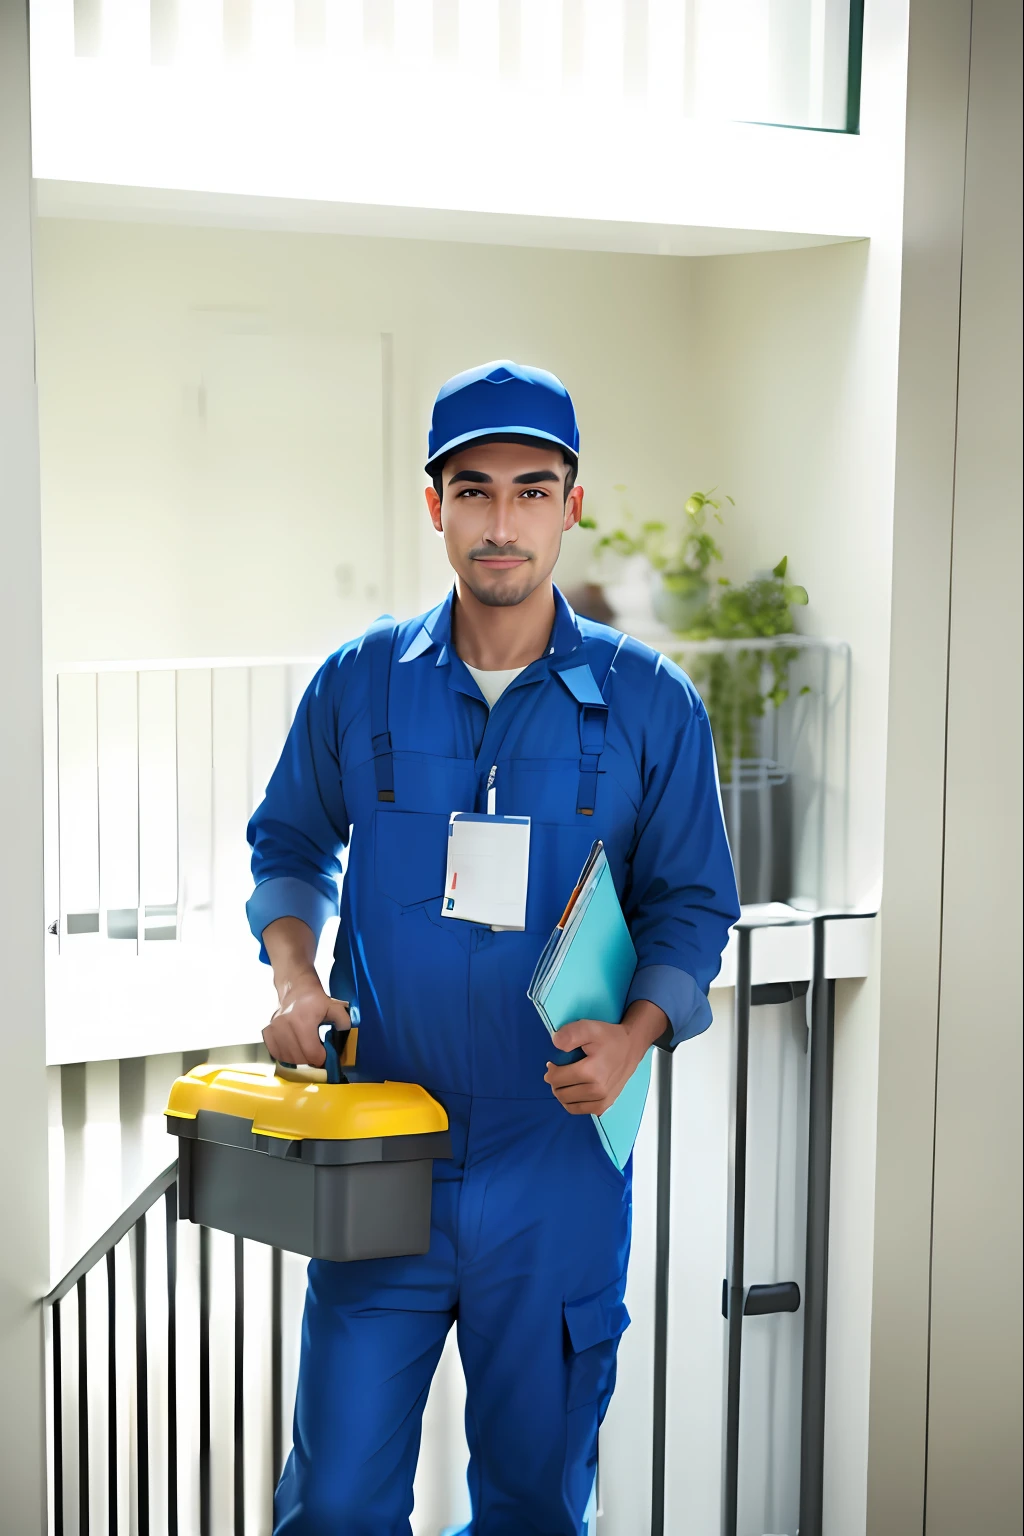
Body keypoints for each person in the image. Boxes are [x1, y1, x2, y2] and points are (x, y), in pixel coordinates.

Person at [248, 360, 740, 1535]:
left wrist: (633, 1040)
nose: (502, 520)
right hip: (383, 1157)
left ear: (574, 504)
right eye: (474, 490)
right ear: (435, 506)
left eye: (532, 489)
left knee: (529, 1507)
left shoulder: (649, 704)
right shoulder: (358, 684)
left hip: (554, 1168)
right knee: (337, 1505)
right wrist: (295, 976)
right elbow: (290, 842)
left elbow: (691, 904)